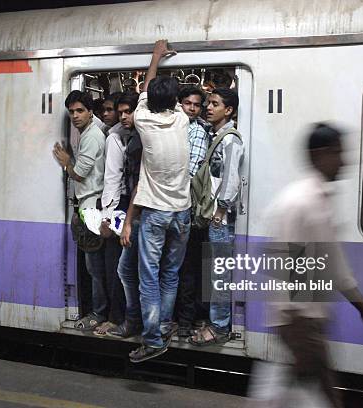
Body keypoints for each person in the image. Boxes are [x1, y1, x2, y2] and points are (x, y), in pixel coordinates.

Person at [264, 123, 363, 407]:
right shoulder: (299, 202)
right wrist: (299, 330)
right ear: (320, 154)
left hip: (308, 321)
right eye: (338, 152)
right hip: (300, 320)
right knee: (325, 397)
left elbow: (335, 265)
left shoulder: (319, 201)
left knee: (300, 395)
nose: (345, 160)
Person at [127, 40, 192, 363]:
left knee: (148, 276)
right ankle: (164, 325)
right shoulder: (182, 120)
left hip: (155, 211)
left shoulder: (142, 120)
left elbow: (148, 89)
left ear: (148, 100)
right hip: (183, 212)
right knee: (171, 272)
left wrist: (154, 57)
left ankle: (152, 339)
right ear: (175, 102)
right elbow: (161, 95)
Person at [190, 88, 244, 346]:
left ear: (229, 110)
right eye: (208, 103)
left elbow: (231, 180)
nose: (208, 108)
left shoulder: (230, 140)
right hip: (215, 218)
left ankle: (219, 327)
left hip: (220, 220)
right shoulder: (218, 136)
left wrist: (220, 213)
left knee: (219, 276)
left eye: (214, 104)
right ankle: (216, 323)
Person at [53, 90, 110, 332]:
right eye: (72, 112)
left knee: (94, 268)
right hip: (91, 205)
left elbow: (79, 173)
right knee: (94, 265)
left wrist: (66, 162)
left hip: (91, 207)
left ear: (89, 112)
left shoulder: (91, 136)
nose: (75, 116)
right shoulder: (93, 128)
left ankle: (98, 313)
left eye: (80, 111)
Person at [105, 92, 144, 338]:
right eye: (120, 112)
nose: (123, 117)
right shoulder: (117, 136)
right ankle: (119, 316)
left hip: (137, 204)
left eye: (128, 111)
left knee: (126, 267)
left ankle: (128, 319)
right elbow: (113, 177)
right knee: (120, 265)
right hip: (123, 203)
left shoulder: (144, 136)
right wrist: (109, 215)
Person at [175, 86, 210, 337]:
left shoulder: (197, 132)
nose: (192, 108)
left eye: (196, 105)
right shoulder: (177, 126)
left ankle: (186, 322)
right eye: (187, 103)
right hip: (177, 205)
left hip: (186, 207)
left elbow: (189, 173)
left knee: (186, 269)